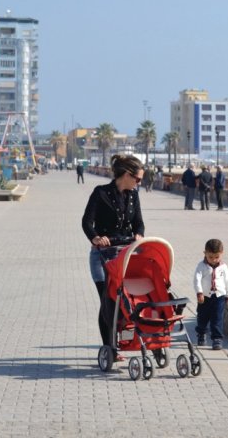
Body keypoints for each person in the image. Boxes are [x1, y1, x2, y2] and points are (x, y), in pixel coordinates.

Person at [81, 154, 145, 359]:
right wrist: (96, 238)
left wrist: (139, 234)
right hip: (102, 256)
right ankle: (110, 346)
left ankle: (124, 340)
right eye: (138, 179)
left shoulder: (134, 196)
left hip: (125, 255)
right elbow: (86, 222)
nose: (139, 183)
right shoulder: (100, 193)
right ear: (127, 175)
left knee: (124, 301)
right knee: (107, 301)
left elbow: (139, 223)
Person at [193, 238, 228, 350]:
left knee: (217, 318)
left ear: (221, 254)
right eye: (210, 257)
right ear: (205, 253)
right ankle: (201, 333)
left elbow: (227, 280)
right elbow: (196, 280)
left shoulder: (224, 267)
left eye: (216, 257)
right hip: (205, 296)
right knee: (202, 316)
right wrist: (199, 292)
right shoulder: (201, 266)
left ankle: (217, 339)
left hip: (219, 296)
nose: (213, 260)